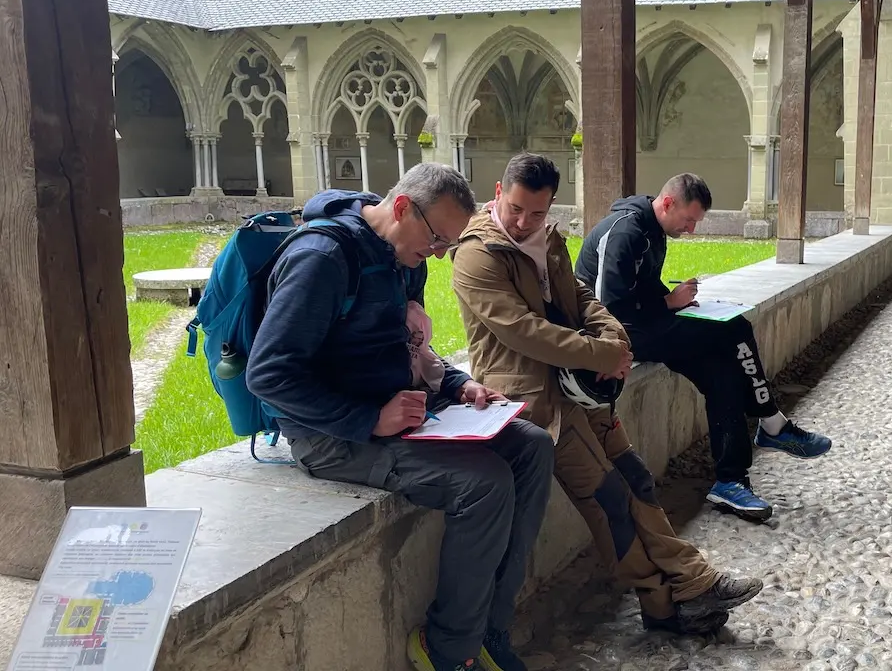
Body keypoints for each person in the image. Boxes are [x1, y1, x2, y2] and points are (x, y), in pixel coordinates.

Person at [245, 163, 555, 671]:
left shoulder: (404, 258)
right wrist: (368, 419)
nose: (436, 255)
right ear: (403, 207)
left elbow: (410, 346)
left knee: (532, 445)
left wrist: (459, 384)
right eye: (436, 239)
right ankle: (450, 651)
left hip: (402, 409)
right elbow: (269, 376)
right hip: (333, 434)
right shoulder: (321, 260)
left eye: (446, 245)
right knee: (485, 482)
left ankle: (489, 627)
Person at [450, 153, 763, 636]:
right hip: (534, 401)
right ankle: (676, 591)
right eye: (515, 208)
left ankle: (677, 596)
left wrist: (614, 337)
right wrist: (600, 354)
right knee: (607, 497)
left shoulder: (547, 238)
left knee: (634, 478)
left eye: (536, 212)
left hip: (581, 389)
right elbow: (521, 330)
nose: (523, 221)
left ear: (551, 204)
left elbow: (582, 297)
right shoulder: (476, 253)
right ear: (497, 192)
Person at [574, 173, 833, 522]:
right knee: (735, 328)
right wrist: (669, 303)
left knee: (722, 374)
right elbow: (607, 307)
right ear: (668, 203)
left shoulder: (653, 230)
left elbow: (642, 290)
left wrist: (675, 301)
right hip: (620, 335)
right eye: (689, 220)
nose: (692, 230)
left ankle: (730, 481)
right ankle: (772, 423)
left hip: (646, 326)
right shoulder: (625, 231)